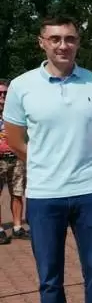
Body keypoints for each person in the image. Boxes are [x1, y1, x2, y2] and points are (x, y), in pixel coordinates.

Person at [2, 15, 92, 303]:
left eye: (69, 38)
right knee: (49, 276)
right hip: (44, 194)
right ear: (42, 42)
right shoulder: (22, 86)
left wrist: (88, 160)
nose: (63, 45)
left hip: (89, 191)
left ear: (78, 42)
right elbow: (15, 139)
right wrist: (45, 162)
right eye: (55, 39)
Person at [0, 78, 29, 244]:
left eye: (5, 93)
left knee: (17, 193)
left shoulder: (15, 111)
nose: (2, 96)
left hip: (16, 158)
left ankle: (17, 227)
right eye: (0, 93)